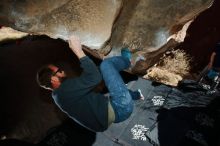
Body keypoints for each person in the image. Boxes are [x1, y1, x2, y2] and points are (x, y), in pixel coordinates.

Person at [36, 35, 144, 132]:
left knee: (106, 77)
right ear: (53, 80)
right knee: (106, 65)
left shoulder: (62, 96)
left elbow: (89, 79)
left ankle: (137, 95)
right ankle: (127, 61)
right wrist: (79, 51)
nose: (63, 71)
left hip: (114, 114)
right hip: (121, 107)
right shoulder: (63, 92)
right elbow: (95, 77)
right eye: (59, 70)